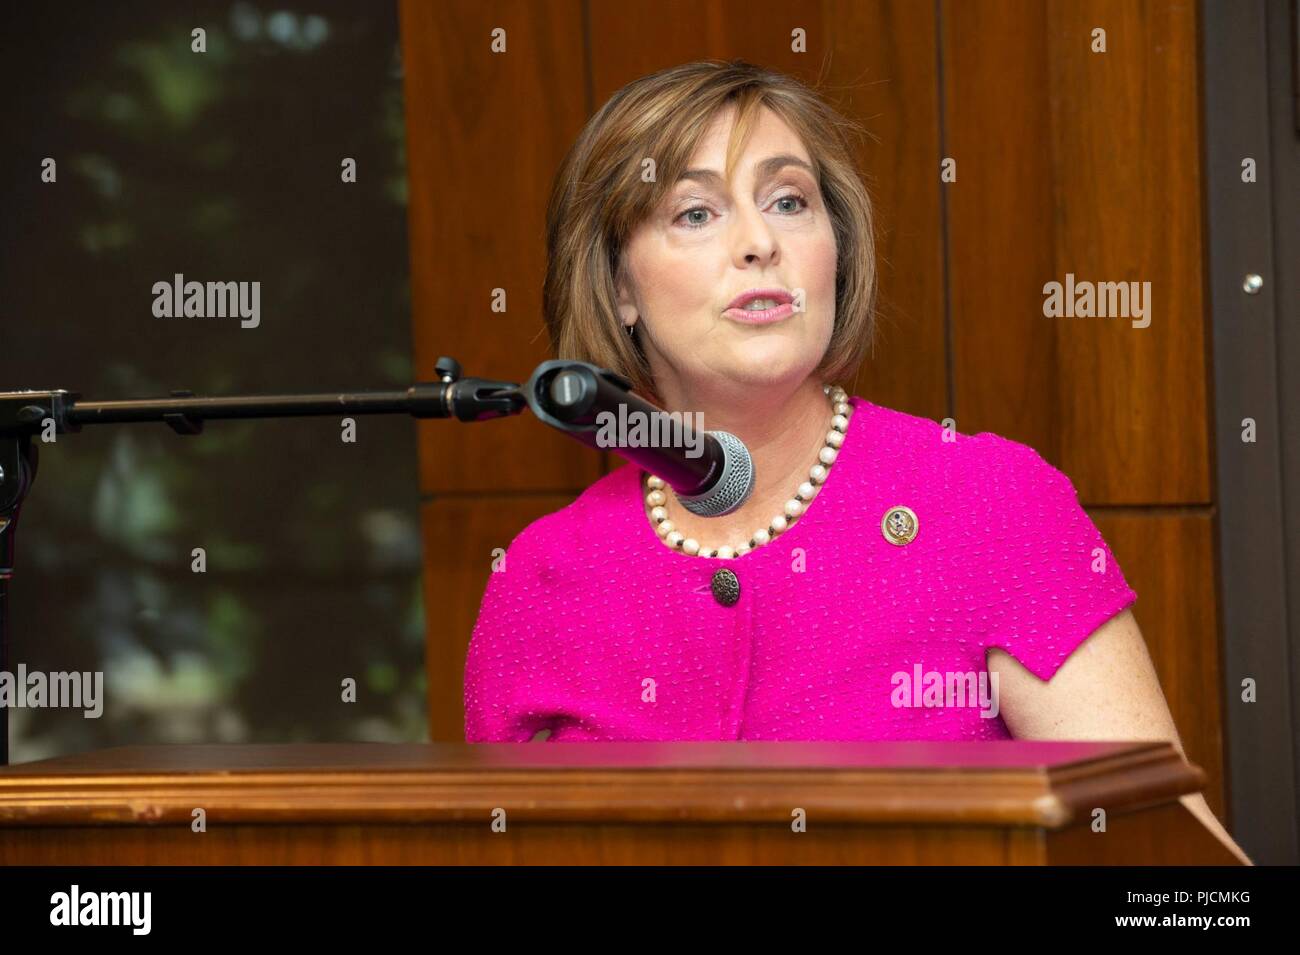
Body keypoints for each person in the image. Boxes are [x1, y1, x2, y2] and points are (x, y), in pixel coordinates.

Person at [464, 60, 1250, 864]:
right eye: (696, 212)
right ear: (619, 287)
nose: (760, 243)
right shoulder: (542, 574)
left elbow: (1173, 872)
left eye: (789, 201)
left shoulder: (987, 502)